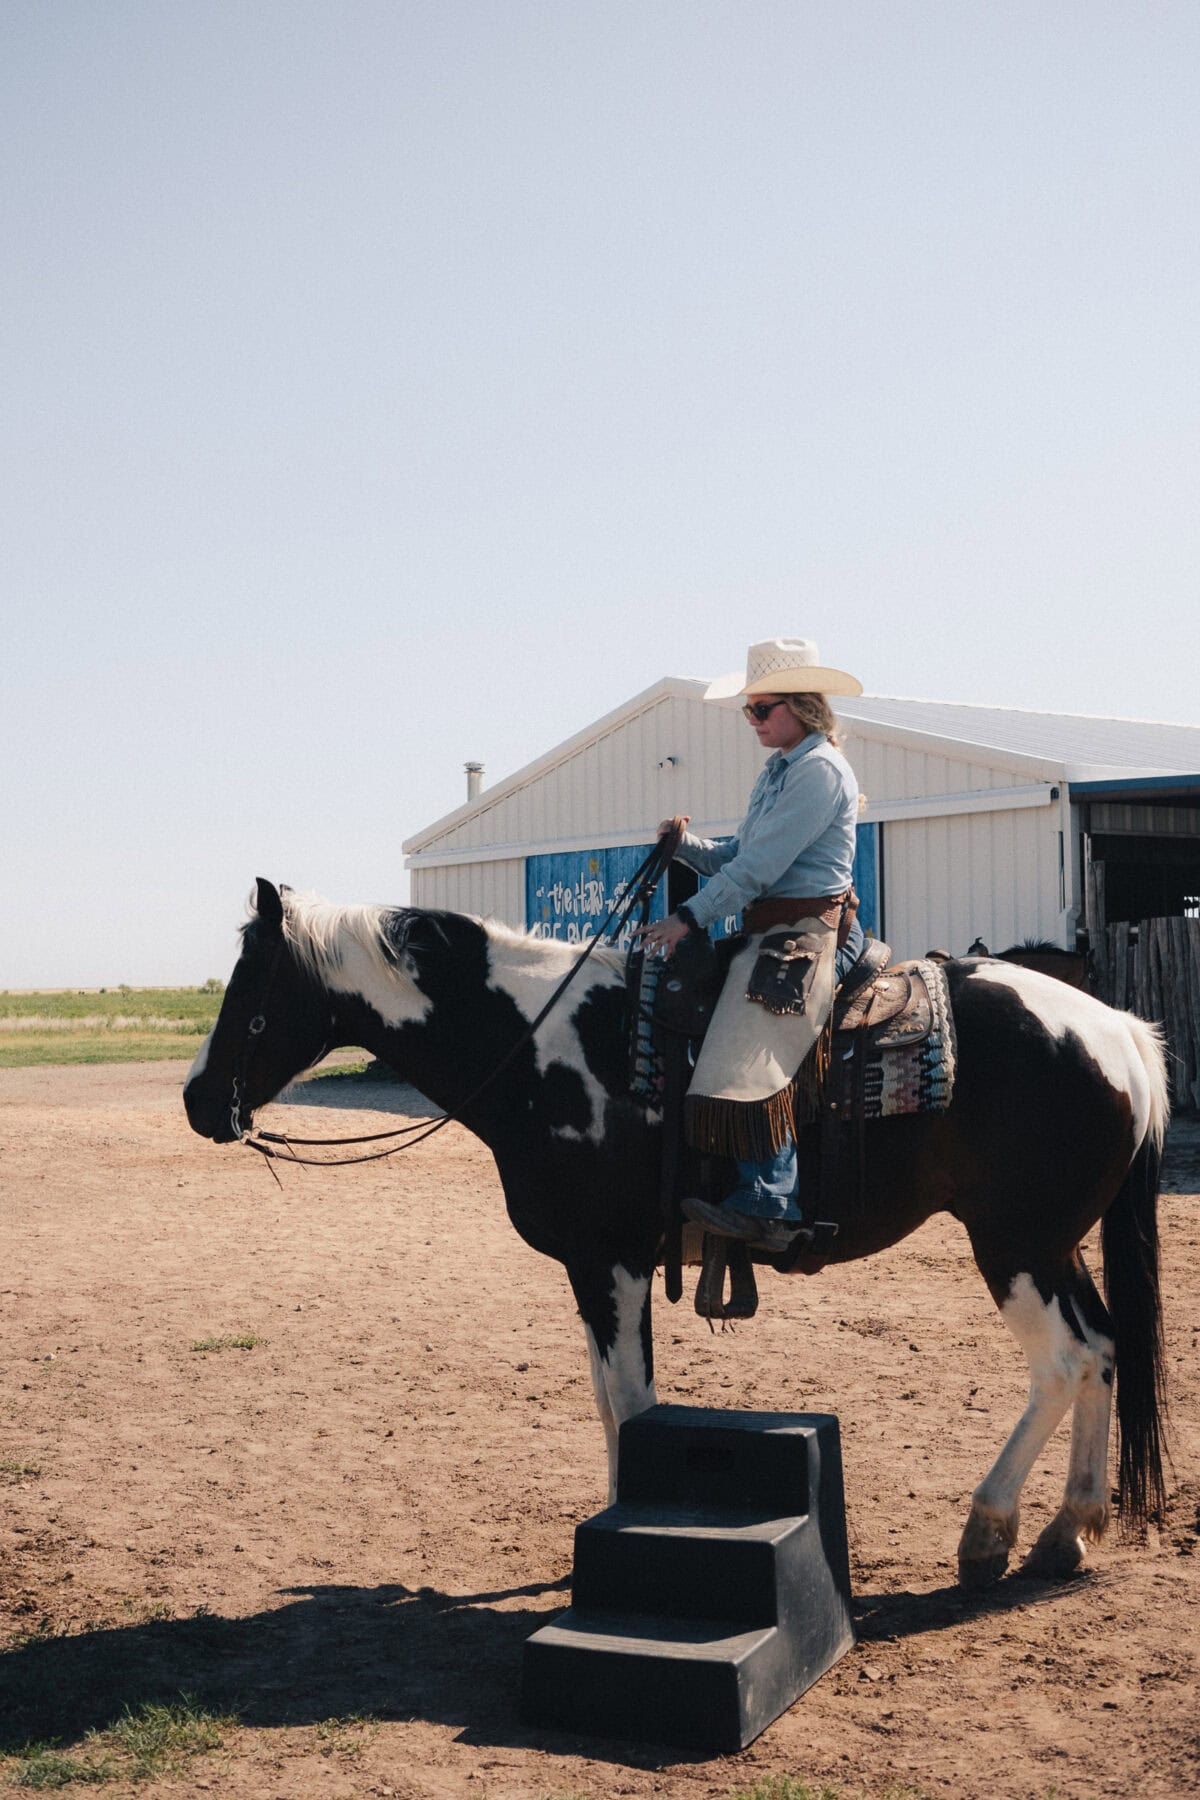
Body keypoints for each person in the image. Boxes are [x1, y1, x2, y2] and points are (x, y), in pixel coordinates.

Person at [639, 636, 863, 1254]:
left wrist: (687, 916)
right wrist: (683, 846)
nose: (754, 721)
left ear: (803, 707)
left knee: (753, 1033)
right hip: (771, 929)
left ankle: (769, 1197)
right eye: (749, 710)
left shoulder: (818, 771)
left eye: (763, 709)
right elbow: (740, 854)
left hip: (809, 933)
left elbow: (760, 868)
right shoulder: (782, 768)